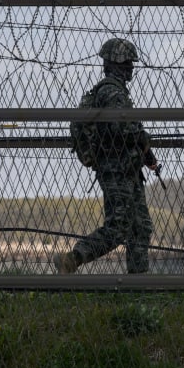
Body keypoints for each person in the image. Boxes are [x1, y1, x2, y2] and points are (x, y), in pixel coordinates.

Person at [54, 38, 159, 274]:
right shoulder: (111, 92)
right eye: (128, 63)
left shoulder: (116, 91)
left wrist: (145, 152)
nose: (131, 67)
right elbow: (119, 128)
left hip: (128, 170)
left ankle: (138, 281)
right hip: (117, 170)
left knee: (140, 227)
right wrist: (142, 136)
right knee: (118, 228)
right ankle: (73, 258)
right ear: (117, 64)